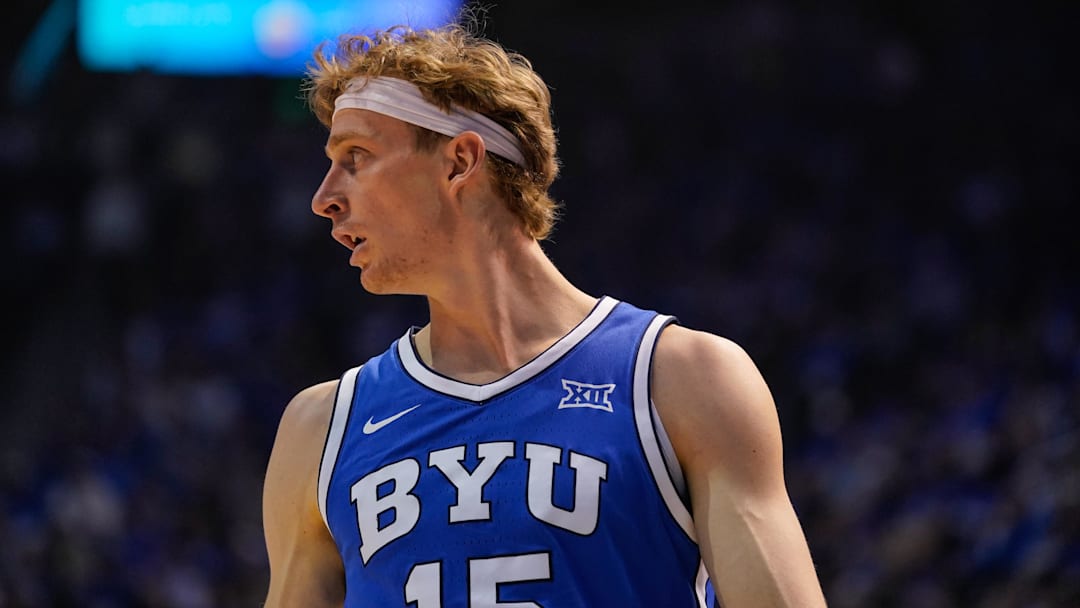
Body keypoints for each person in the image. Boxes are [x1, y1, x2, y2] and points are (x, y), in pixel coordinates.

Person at [261, 17, 828, 608]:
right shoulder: (320, 429)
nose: (323, 197)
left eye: (357, 155)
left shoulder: (683, 381)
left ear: (458, 162)